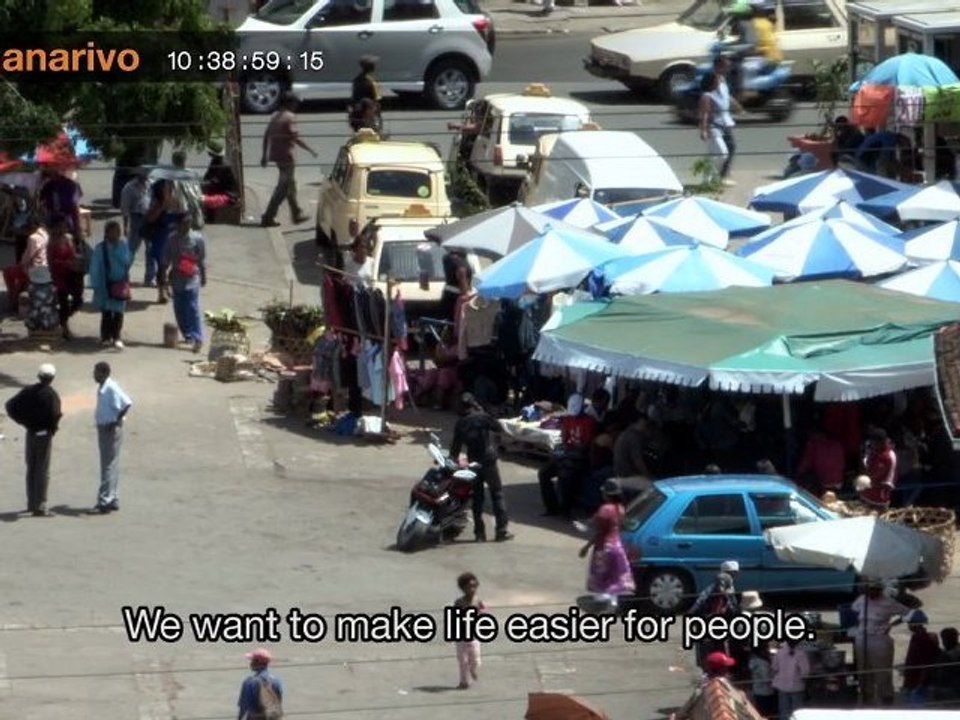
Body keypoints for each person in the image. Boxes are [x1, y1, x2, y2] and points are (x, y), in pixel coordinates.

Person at [449, 392, 513, 542]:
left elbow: (455, 449)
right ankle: (501, 530)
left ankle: (479, 533)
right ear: (473, 403)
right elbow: (498, 427)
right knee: (497, 494)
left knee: (477, 497)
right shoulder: (482, 417)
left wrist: (451, 461)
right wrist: (482, 411)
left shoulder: (461, 423)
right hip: (489, 458)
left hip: (474, 461)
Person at [5, 364, 61, 517]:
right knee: (42, 470)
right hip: (44, 435)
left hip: (30, 433)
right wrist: (52, 429)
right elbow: (55, 415)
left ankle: (31, 503)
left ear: (39, 376)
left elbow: (10, 406)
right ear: (52, 378)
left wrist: (24, 422)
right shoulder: (51, 395)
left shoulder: (28, 391)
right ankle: (40, 506)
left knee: (31, 468)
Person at [260, 91, 317, 228]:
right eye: (295, 103)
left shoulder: (275, 116)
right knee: (283, 189)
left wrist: (264, 155)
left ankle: (296, 213)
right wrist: (310, 150)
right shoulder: (290, 117)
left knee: (290, 185)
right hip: (287, 157)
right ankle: (268, 216)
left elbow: (266, 135)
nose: (296, 106)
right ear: (290, 103)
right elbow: (295, 138)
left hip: (277, 157)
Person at [851, 580, 911, 706]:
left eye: (873, 590)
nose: (870, 592)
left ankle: (886, 697)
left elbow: (908, 613)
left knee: (882, 672)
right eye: (868, 590)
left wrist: (891, 624)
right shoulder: (862, 599)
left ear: (879, 590)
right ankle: (867, 697)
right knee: (863, 670)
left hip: (879, 640)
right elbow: (854, 611)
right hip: (862, 638)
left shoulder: (888, 603)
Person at [578, 479, 635, 609]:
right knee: (614, 575)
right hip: (617, 547)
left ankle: (603, 605)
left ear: (606, 494)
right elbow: (622, 528)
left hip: (604, 548)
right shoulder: (621, 509)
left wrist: (586, 547)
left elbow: (599, 531)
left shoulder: (604, 509)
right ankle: (613, 602)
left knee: (601, 577)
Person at [539, 393, 597, 517]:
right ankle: (552, 508)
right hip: (568, 454)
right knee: (543, 473)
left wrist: (570, 450)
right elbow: (564, 439)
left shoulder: (590, 422)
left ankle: (566, 509)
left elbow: (585, 445)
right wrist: (564, 450)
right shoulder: (568, 419)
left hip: (580, 456)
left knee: (566, 475)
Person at [92, 362, 133, 514]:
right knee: (112, 464)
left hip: (109, 429)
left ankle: (104, 501)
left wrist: (115, 420)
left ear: (104, 374)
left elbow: (127, 403)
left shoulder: (110, 387)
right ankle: (113, 498)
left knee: (107, 466)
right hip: (105, 427)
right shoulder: (103, 387)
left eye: (96, 372)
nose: (94, 375)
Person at [164, 215, 207, 353]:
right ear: (177, 224)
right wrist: (163, 276)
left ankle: (197, 338)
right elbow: (166, 259)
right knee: (179, 309)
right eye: (183, 223)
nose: (185, 226)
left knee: (192, 308)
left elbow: (201, 259)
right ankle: (187, 334)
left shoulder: (197, 238)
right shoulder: (171, 239)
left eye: (188, 223)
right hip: (177, 278)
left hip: (192, 278)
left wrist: (204, 275)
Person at [89, 220, 132, 349]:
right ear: (106, 233)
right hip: (105, 285)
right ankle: (105, 336)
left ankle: (117, 336)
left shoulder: (123, 246)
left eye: (117, 231)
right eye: (112, 231)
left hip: (120, 283)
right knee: (107, 312)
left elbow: (127, 261)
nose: (115, 234)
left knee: (119, 312)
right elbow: (94, 268)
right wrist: (95, 284)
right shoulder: (100, 248)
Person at [698, 57, 740, 187]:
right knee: (721, 153)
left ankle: (717, 177)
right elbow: (704, 113)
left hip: (725, 121)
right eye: (726, 66)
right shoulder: (710, 82)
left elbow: (727, 97)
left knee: (728, 148)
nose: (728, 69)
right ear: (718, 66)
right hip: (715, 124)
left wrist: (737, 105)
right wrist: (703, 130)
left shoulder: (723, 79)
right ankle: (713, 178)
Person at [689, 572, 739, 668]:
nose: (721, 588)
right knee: (706, 655)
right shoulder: (707, 594)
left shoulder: (728, 595)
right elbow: (694, 611)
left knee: (721, 654)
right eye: (720, 584)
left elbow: (734, 611)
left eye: (724, 585)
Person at [46, 216, 85, 340]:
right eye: (61, 226)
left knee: (78, 301)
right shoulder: (51, 242)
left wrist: (77, 259)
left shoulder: (68, 238)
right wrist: (64, 263)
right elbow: (50, 261)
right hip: (58, 276)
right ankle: (65, 328)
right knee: (63, 303)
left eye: (65, 226)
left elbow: (73, 253)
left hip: (71, 273)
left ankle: (61, 319)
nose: (64, 228)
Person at [3, 217, 49, 313]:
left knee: (7, 272)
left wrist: (22, 264)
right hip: (45, 267)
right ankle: (17, 296)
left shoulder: (33, 238)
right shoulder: (46, 235)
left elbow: (28, 257)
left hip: (35, 269)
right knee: (19, 276)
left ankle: (13, 300)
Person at [453, 572, 486, 689]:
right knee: (463, 660)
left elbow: (484, 612)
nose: (472, 589)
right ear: (463, 588)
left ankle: (472, 670)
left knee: (475, 659)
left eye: (474, 586)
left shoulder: (478, 601)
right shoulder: (459, 602)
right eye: (469, 587)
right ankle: (463, 682)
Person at [119, 168, 153, 282]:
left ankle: (150, 277)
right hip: (136, 218)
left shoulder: (151, 184)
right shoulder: (129, 187)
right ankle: (123, 274)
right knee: (131, 249)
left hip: (150, 218)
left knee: (150, 249)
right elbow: (125, 207)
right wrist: (125, 225)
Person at [901, 609, 939, 706]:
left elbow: (923, 662)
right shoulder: (922, 637)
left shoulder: (921, 639)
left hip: (917, 680)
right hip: (916, 679)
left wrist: (919, 683)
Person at [796, 423, 845, 493]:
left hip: (823, 483)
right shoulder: (837, 444)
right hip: (838, 482)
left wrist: (796, 475)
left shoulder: (814, 446)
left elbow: (805, 464)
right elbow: (842, 463)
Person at [237, 648, 284, 720]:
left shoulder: (249, 682)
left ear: (257, 662)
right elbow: (278, 702)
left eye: (252, 660)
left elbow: (243, 708)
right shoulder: (277, 681)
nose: (250, 663)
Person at [38, 170, 82, 241]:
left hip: (67, 222)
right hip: (52, 222)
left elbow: (75, 207)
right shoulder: (48, 186)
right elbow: (40, 203)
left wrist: (78, 229)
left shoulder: (71, 185)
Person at [201, 139, 240, 220]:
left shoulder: (223, 165)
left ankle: (210, 220)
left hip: (228, 195)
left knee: (204, 200)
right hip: (219, 191)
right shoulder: (215, 161)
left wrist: (203, 185)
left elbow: (214, 182)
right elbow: (208, 177)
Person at [860, 427, 897, 510]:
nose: (871, 444)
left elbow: (873, 476)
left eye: (873, 442)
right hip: (870, 495)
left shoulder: (885, 457)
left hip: (877, 500)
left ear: (880, 442)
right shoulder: (878, 452)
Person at [771, 639, 809, 718]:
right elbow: (805, 672)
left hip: (782, 687)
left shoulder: (779, 652)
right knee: (797, 712)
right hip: (796, 687)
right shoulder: (801, 654)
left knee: (784, 711)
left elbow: (774, 668)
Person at [749, 642, 778, 719]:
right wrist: (776, 676)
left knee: (761, 713)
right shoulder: (762, 663)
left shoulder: (753, 661)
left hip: (757, 691)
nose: (767, 650)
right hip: (766, 692)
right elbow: (767, 678)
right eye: (766, 648)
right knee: (767, 714)